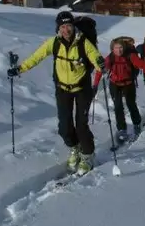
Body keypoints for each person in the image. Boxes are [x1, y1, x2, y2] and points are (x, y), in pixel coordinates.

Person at [7, 11, 104, 175]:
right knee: (64, 127)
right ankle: (75, 148)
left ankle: (87, 156)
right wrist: (19, 69)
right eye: (63, 27)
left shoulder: (83, 42)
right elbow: (36, 57)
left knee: (81, 125)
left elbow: (95, 56)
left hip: (82, 88)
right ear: (58, 28)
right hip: (62, 89)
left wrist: (101, 64)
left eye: (69, 26)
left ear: (74, 27)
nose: (66, 30)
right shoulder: (54, 43)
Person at [93, 38, 145, 142]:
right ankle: (121, 129)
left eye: (120, 48)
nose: (119, 50)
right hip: (115, 84)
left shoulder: (130, 56)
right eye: (116, 48)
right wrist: (95, 85)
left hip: (128, 84)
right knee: (118, 106)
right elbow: (100, 70)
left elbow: (142, 64)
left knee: (131, 104)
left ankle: (137, 124)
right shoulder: (110, 57)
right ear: (112, 48)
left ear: (123, 48)